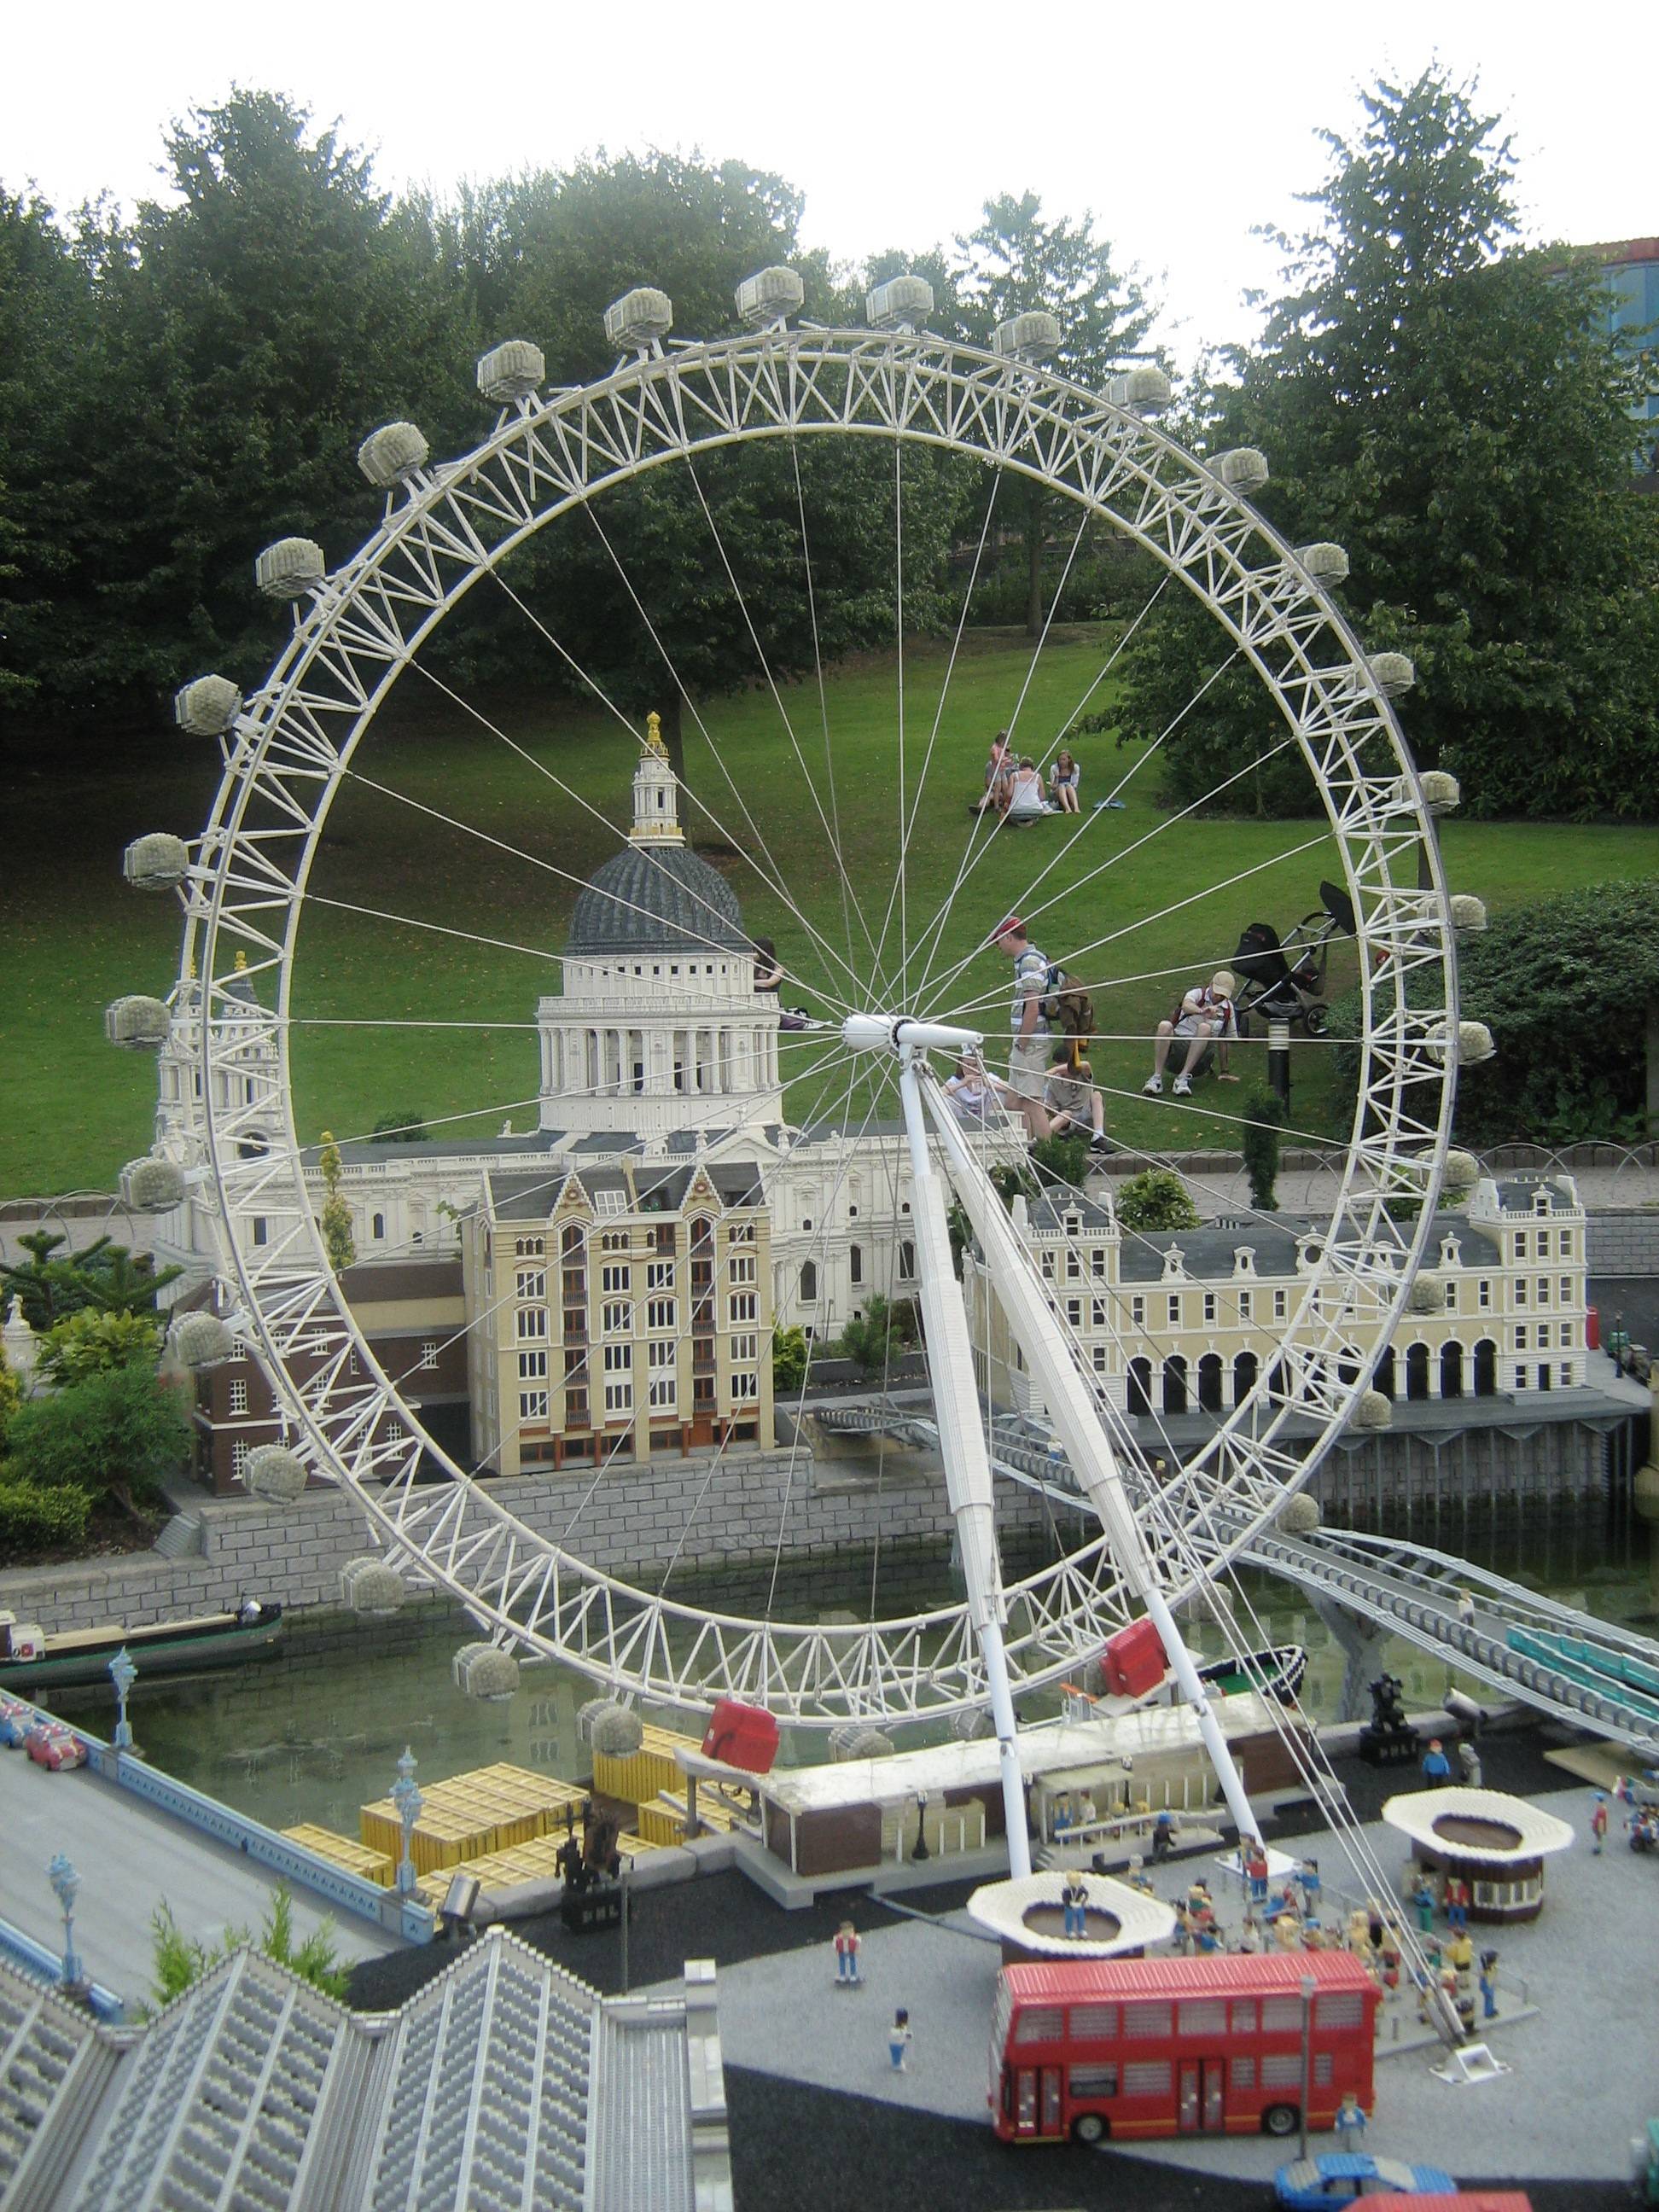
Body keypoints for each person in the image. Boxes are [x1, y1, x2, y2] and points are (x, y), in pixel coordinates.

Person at [990, 915, 1053, 1140]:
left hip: (1031, 1042)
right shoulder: (1027, 961)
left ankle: (1048, 1156)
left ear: (1008, 937)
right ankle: (1026, 1151)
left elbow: (1033, 1007)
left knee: (1033, 1102)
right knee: (1014, 1102)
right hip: (1026, 1043)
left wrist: (1023, 1042)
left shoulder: (1029, 962)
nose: (998, 947)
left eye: (998, 941)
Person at [1143, 969, 1239, 1097]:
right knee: (1164, 1025)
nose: (1218, 997)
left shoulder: (1228, 1009)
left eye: (1222, 995)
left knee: (1204, 1028)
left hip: (1200, 1060)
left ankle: (1182, 1079)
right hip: (1177, 1049)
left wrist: (1224, 1071)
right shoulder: (1197, 994)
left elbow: (1225, 1040)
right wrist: (1202, 1012)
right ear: (1210, 984)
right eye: (1217, 993)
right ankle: (1156, 1078)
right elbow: (1186, 1005)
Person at [1044, 1040, 1111, 1155]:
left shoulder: (1082, 1073)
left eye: (1063, 1069)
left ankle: (1098, 1137)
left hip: (1087, 1117)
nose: (1061, 1073)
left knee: (1097, 1095)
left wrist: (1055, 1069)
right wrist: (1051, 1111)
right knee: (1066, 1114)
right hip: (1068, 1122)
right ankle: (1040, 1140)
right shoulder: (1054, 1081)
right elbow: (1054, 1111)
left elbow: (1086, 1064)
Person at [974, 731, 1012, 815]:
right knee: (995, 791)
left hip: (1002, 770)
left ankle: (1005, 805)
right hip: (997, 771)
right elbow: (997, 760)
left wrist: (1008, 753)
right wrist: (1005, 760)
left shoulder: (1002, 748)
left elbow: (1007, 757)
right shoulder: (994, 749)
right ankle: (994, 807)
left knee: (1005, 787)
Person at [1004, 755, 1050, 823]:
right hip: (1035, 810)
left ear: (1020, 766)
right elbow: (1042, 797)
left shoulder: (1014, 775)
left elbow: (1009, 794)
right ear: (1032, 766)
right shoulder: (1038, 776)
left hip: (1016, 811)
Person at [1050, 748, 1082, 813]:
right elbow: (1053, 787)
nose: (1061, 762)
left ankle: (1076, 808)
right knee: (1062, 786)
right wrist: (1056, 777)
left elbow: (1075, 785)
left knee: (1068, 786)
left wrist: (1067, 786)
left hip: (1069, 790)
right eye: (1060, 760)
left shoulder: (1075, 768)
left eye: (1064, 760)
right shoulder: (1054, 768)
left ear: (1069, 760)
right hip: (1056, 792)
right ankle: (1067, 809)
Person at [834, 1920, 862, 1985]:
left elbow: (858, 1943)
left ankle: (853, 1976)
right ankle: (842, 1976)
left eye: (850, 1931)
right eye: (846, 1931)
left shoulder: (855, 1937)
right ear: (841, 1931)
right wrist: (837, 1951)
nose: (848, 1933)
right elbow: (836, 1945)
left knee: (852, 1963)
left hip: (851, 1952)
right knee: (842, 1963)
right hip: (842, 1952)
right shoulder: (837, 1938)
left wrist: (857, 1950)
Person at [888, 2007, 912, 2071]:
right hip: (896, 2045)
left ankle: (897, 2062)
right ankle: (897, 2065)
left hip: (898, 2043)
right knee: (896, 2054)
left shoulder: (900, 2027)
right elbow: (903, 2035)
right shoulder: (896, 2030)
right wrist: (907, 2035)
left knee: (898, 2053)